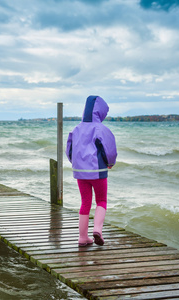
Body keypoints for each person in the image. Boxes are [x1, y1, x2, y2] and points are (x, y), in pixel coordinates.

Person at [66, 95, 117, 246]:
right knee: (101, 200)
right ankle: (97, 230)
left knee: (85, 202)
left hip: (80, 172)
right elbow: (110, 150)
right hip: (98, 170)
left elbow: (69, 150)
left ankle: (82, 237)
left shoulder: (76, 128)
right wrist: (110, 163)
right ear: (100, 112)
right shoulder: (101, 129)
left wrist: (76, 163)